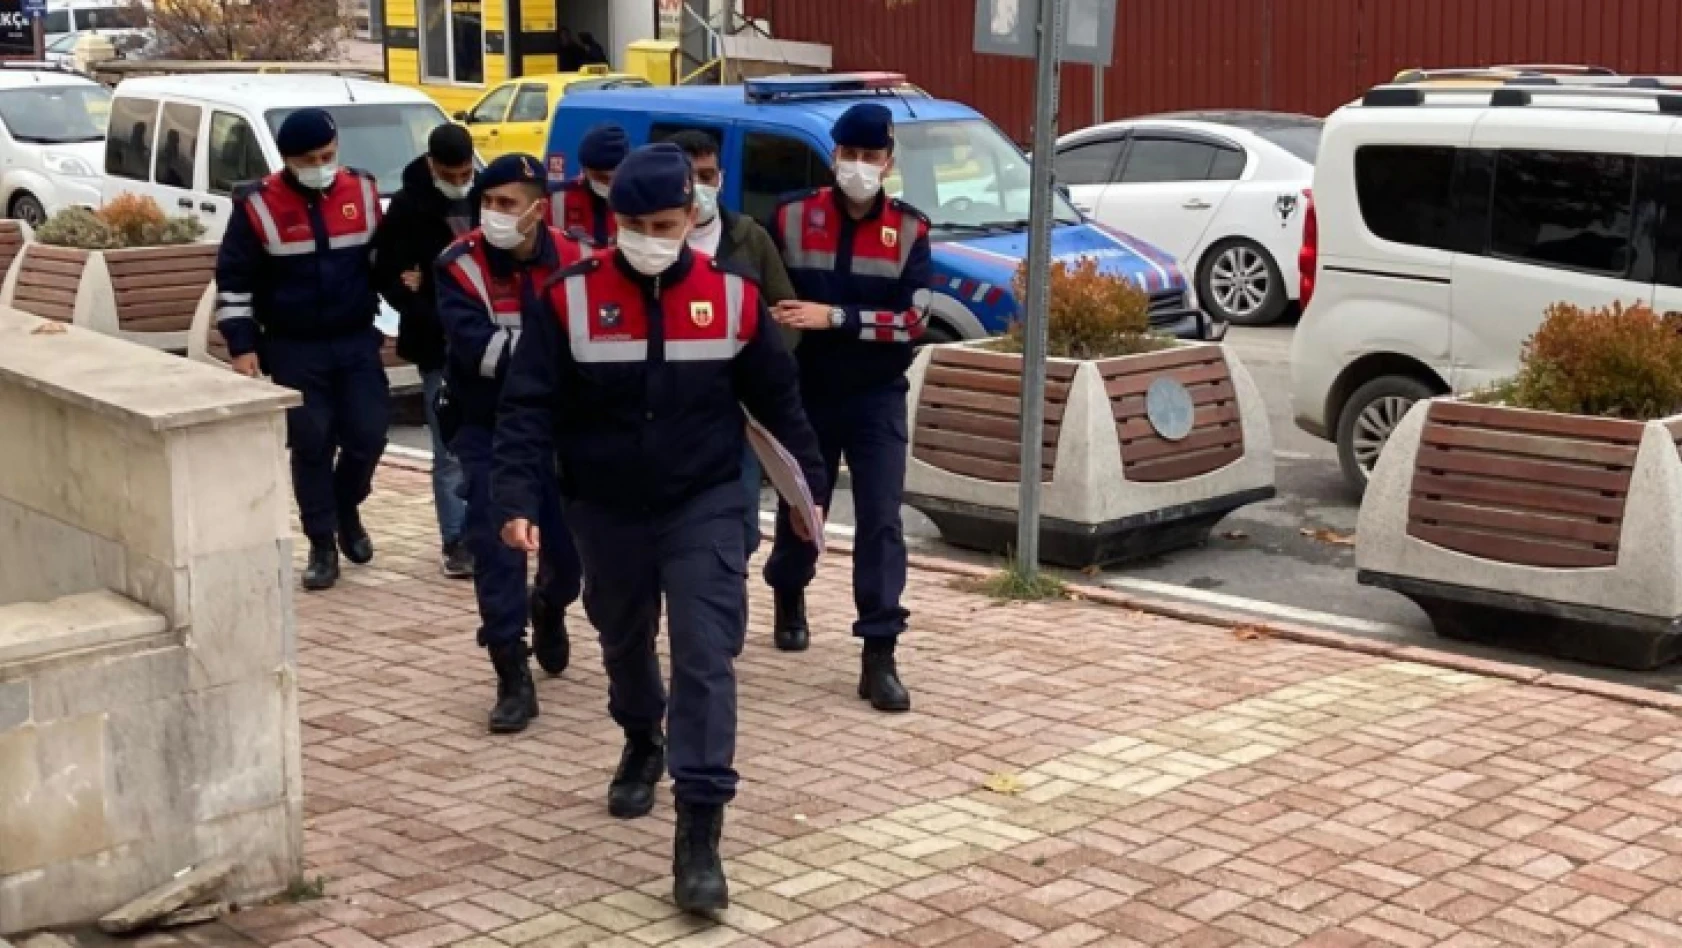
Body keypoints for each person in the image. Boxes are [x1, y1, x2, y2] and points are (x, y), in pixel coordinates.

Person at [492, 144, 825, 914]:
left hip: (703, 500)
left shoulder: (734, 299)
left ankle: (699, 831)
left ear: (689, 218)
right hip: (603, 508)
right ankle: (643, 736)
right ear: (615, 222)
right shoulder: (567, 299)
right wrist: (514, 497)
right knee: (623, 636)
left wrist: (808, 504)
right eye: (634, 223)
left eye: (664, 222)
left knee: (707, 653)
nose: (650, 235)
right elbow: (527, 406)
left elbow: (781, 404)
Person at [763, 103, 931, 711]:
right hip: (806, 393)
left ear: (888, 162)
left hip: (877, 395)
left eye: (871, 157)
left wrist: (835, 317)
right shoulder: (788, 217)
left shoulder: (911, 230)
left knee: (882, 520)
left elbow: (913, 321)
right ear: (834, 156)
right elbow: (771, 306)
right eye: (849, 155)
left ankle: (879, 652)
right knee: (802, 509)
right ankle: (789, 588)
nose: (859, 167)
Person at [436, 154, 586, 734]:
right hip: (487, 427)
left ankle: (551, 603)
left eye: (507, 204)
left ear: (537, 210)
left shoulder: (576, 259)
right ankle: (509, 670)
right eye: (487, 202)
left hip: (561, 430)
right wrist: (557, 361)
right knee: (498, 549)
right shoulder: (460, 265)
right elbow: (476, 348)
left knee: (570, 554)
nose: (493, 214)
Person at [215, 107, 389, 592]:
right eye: (309, 159)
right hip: (294, 346)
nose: (321, 164)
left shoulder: (364, 191)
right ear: (288, 159)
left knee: (369, 435)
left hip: (355, 338)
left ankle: (345, 505)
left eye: (328, 155)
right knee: (311, 443)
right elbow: (234, 281)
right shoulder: (258, 206)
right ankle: (321, 543)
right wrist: (241, 345)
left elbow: (384, 259)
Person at [667, 129, 797, 566]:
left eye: (708, 175)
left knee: (738, 528)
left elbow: (786, 313)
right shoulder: (655, 241)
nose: (701, 187)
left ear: (721, 177)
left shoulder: (749, 238)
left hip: (736, 413)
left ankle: (722, 604)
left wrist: (762, 370)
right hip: (669, 412)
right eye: (691, 177)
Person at [372, 122, 476, 579]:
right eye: (450, 174)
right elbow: (389, 270)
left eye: (465, 172)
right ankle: (456, 538)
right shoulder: (410, 205)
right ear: (433, 165)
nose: (459, 182)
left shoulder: (486, 193)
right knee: (449, 447)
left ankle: (489, 526)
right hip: (438, 342)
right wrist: (414, 298)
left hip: (488, 333)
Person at [551, 123, 627, 247]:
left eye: (616, 177)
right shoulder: (555, 199)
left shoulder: (638, 201)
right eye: (601, 177)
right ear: (584, 169)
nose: (609, 184)